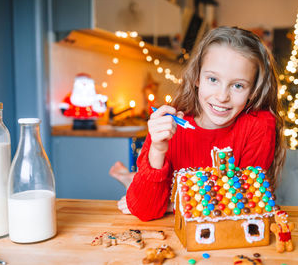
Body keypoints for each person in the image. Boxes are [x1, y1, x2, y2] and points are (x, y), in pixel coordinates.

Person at [117, 26, 286, 221]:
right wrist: (157, 149)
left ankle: (129, 179)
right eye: (213, 79)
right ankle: (129, 178)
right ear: (197, 77)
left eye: (238, 85)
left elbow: (245, 205)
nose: (222, 97)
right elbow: (145, 210)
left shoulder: (259, 126)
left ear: (254, 91)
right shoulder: (170, 123)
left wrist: (173, 204)